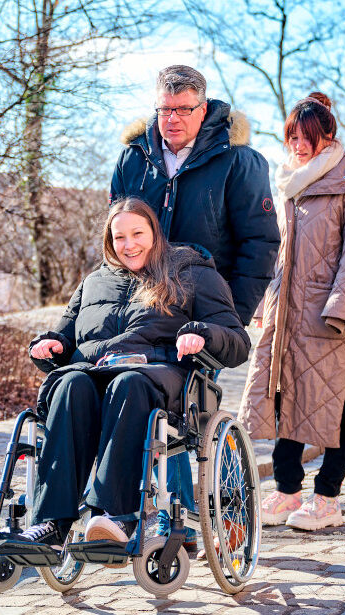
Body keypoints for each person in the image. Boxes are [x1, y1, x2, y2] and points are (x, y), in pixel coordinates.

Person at [15, 198, 251, 553]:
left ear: (155, 233)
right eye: (119, 237)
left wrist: (202, 333)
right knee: (69, 383)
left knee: (129, 383)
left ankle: (115, 515)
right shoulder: (94, 282)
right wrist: (51, 345)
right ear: (110, 241)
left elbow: (236, 340)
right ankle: (51, 523)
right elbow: (64, 336)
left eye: (137, 233)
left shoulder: (193, 274)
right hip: (95, 376)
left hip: (157, 378)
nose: (129, 245)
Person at [110, 65, 280, 550]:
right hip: (141, 312)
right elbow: (115, 235)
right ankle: (168, 518)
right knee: (150, 404)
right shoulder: (133, 159)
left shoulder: (239, 161)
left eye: (184, 110)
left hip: (206, 309)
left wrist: (231, 315)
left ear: (203, 109)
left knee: (196, 414)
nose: (172, 120)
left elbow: (260, 244)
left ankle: (221, 513)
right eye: (164, 110)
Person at [238, 93, 345, 531]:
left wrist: (341, 307)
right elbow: (275, 254)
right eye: (292, 136)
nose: (298, 145)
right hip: (286, 315)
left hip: (329, 316)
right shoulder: (287, 186)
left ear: (327, 137)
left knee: (339, 406)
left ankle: (328, 499)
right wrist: (263, 304)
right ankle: (287, 490)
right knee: (286, 400)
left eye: (307, 138)